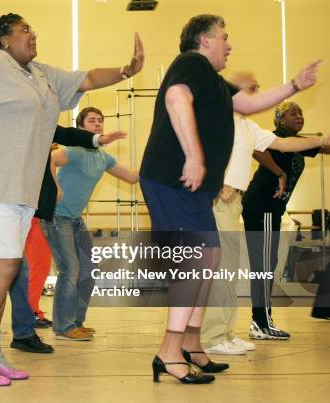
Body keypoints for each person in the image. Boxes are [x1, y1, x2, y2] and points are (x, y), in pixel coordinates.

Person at [0, 12, 144, 386]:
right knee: (3, 268)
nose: (32, 35)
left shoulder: (41, 74)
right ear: (5, 40)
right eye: (24, 30)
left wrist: (126, 71)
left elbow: (89, 78)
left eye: (33, 30)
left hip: (18, 190)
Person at [139, 14, 320, 384]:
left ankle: (190, 344)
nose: (230, 45)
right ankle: (169, 352)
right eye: (224, 37)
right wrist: (193, 155)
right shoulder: (191, 64)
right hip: (172, 181)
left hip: (189, 189)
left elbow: (251, 105)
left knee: (209, 257)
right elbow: (175, 98)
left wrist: (294, 85)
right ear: (204, 41)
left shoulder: (213, 81)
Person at [202, 72, 330, 355]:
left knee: (231, 272)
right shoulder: (219, 118)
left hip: (235, 202)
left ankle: (225, 333)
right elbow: (199, 149)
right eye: (253, 89)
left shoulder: (248, 126)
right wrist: (217, 183)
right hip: (227, 203)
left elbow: (283, 145)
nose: (259, 93)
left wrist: (322, 140)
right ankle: (216, 336)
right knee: (226, 271)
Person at [43, 107, 139, 341]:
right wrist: (54, 187)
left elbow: (132, 177)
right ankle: (64, 327)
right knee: (71, 269)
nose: (98, 124)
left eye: (100, 120)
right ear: (81, 127)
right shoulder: (75, 150)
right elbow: (49, 159)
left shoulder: (103, 157)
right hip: (57, 217)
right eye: (92, 121)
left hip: (76, 219)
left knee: (88, 270)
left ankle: (76, 322)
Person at [241, 101, 330, 340]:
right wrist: (279, 172)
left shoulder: (297, 144)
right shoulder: (275, 138)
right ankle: (261, 322)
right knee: (264, 266)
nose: (299, 116)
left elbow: (323, 147)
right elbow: (256, 150)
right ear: (280, 120)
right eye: (293, 113)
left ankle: (260, 322)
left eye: (301, 112)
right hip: (263, 208)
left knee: (265, 265)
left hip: (268, 211)